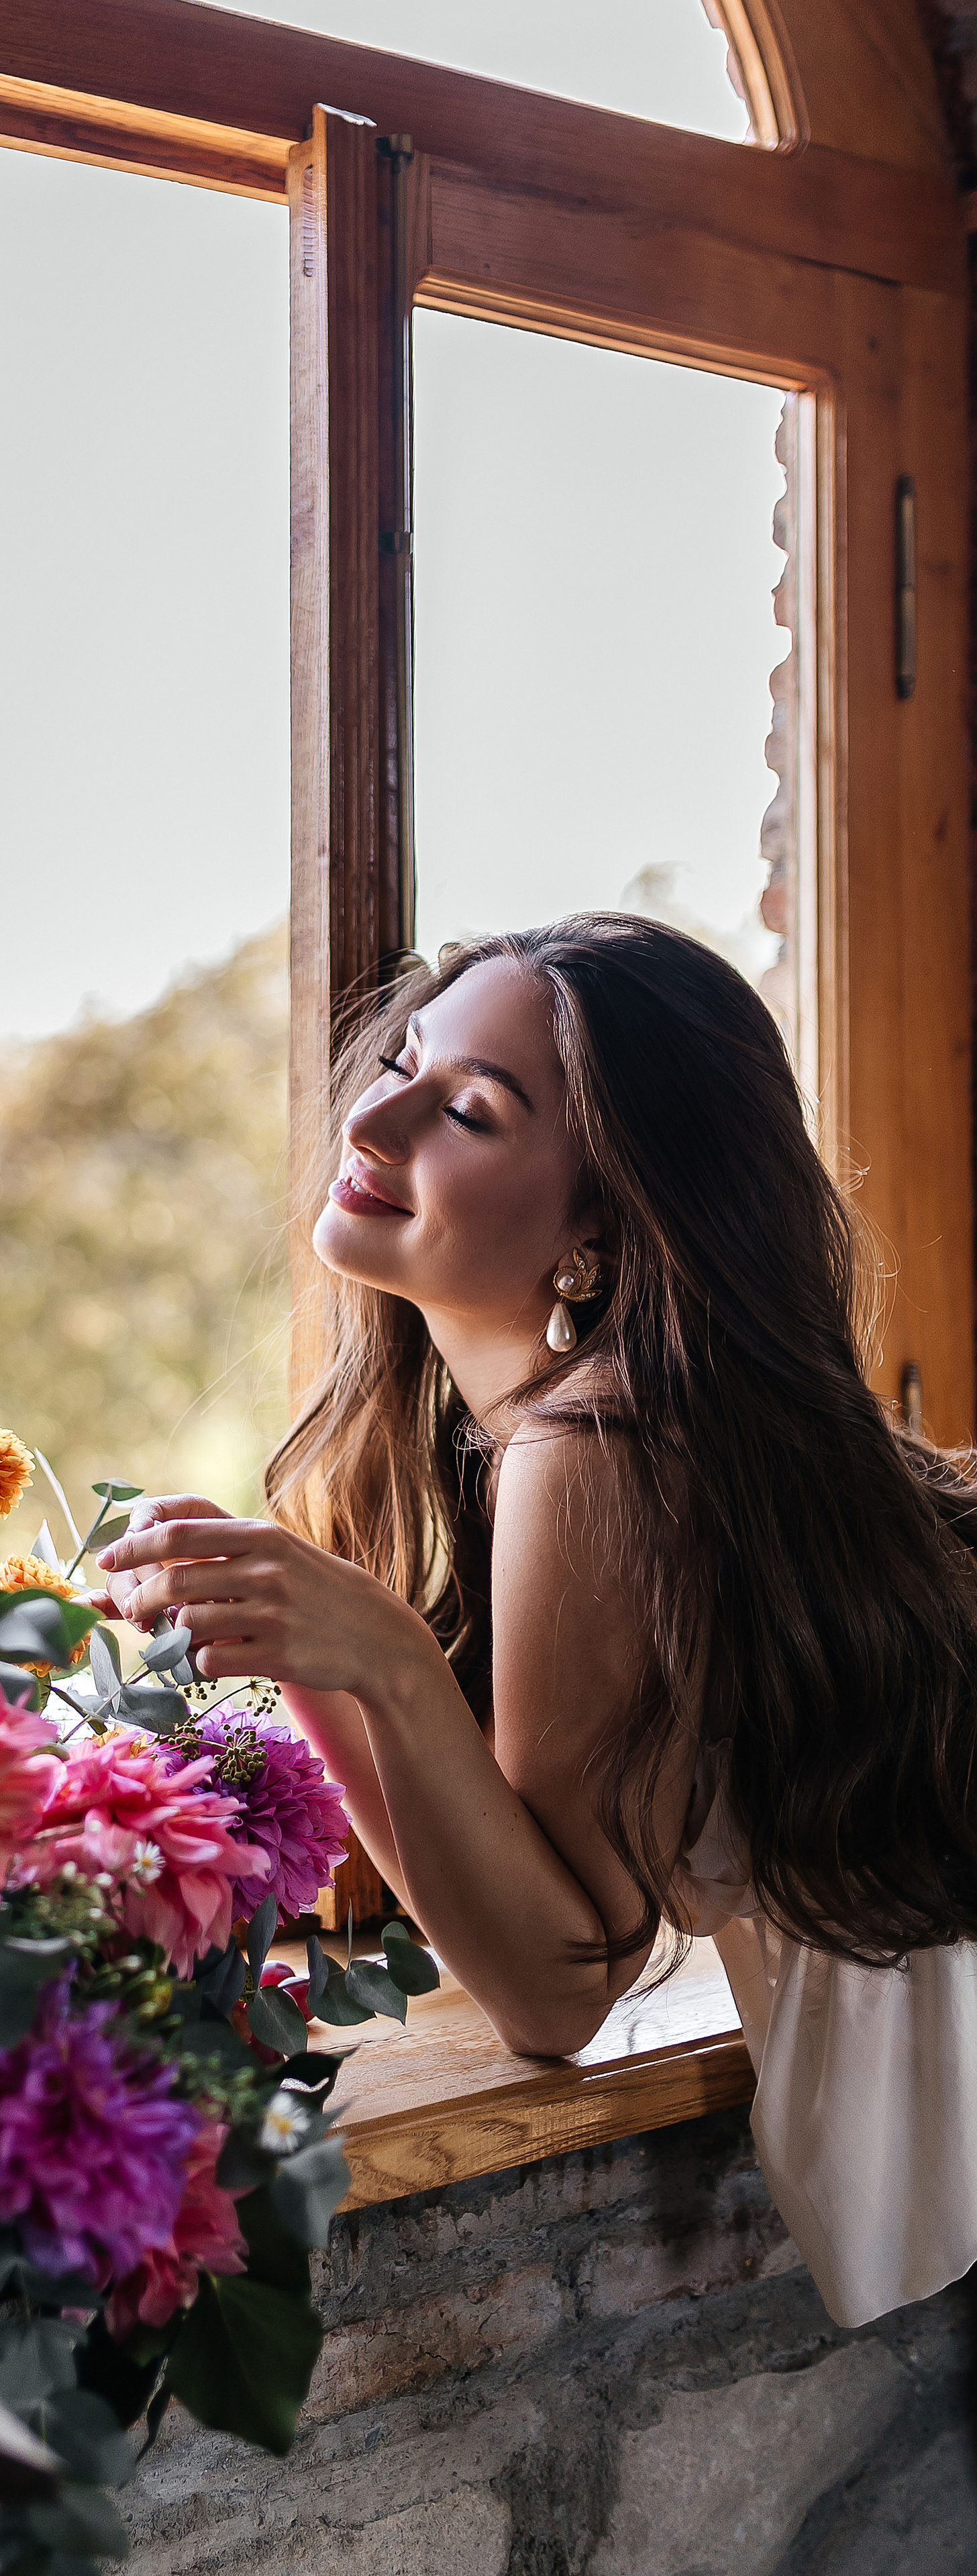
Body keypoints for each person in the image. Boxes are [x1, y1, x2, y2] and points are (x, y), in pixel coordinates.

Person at [93, 914, 977, 2329]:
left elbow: (558, 1994)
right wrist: (314, 1650)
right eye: (402, 1063)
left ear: (599, 1232)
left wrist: (380, 1654)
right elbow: (516, 1900)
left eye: (469, 1112)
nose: (370, 1118)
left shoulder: (601, 1448)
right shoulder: (588, 1436)